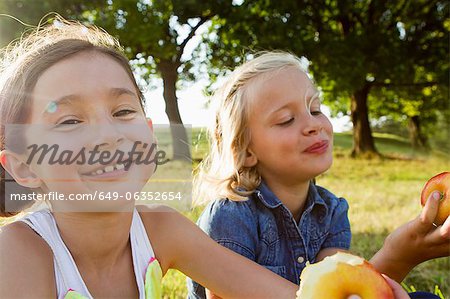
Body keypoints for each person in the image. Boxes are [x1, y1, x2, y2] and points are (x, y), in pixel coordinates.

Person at [0, 19, 300, 298]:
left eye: (123, 112)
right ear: (23, 166)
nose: (108, 134)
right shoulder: (17, 252)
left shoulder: (161, 228)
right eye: (69, 121)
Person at [187, 52, 449, 299]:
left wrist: (401, 254)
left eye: (315, 110)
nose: (313, 124)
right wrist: (396, 256)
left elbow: (340, 292)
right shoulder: (230, 216)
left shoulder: (332, 210)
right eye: (286, 119)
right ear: (245, 151)